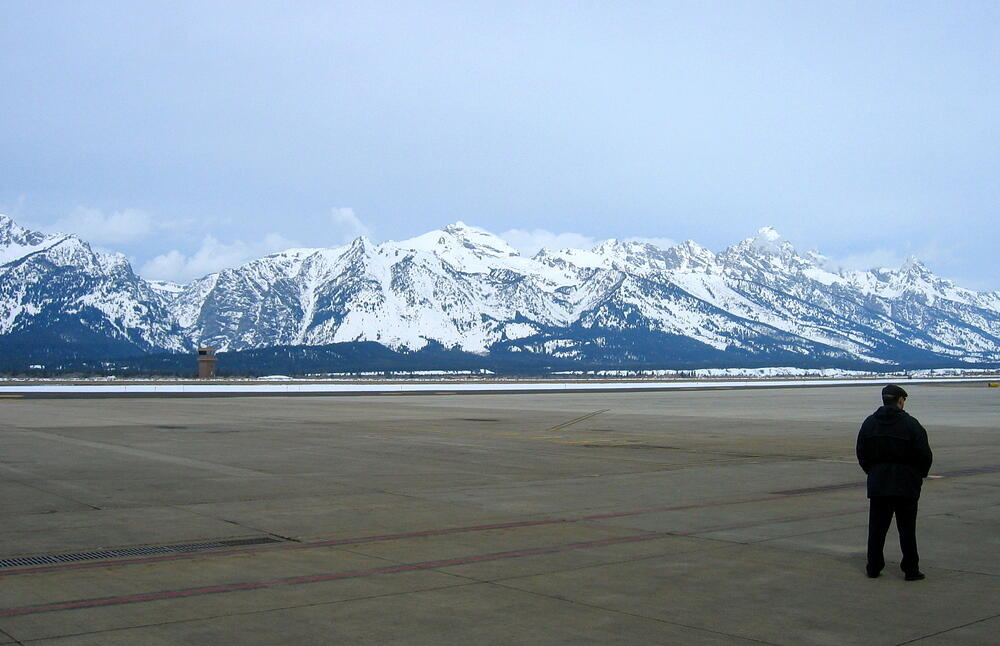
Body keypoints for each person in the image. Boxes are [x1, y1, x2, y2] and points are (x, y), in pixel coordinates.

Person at [856, 384, 933, 580]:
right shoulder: (911, 424)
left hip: (879, 484)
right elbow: (924, 455)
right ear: (900, 400)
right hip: (905, 485)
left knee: (876, 529)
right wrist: (917, 476)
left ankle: (873, 567)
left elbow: (861, 453)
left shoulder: (869, 423)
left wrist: (873, 472)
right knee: (907, 530)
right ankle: (910, 569)